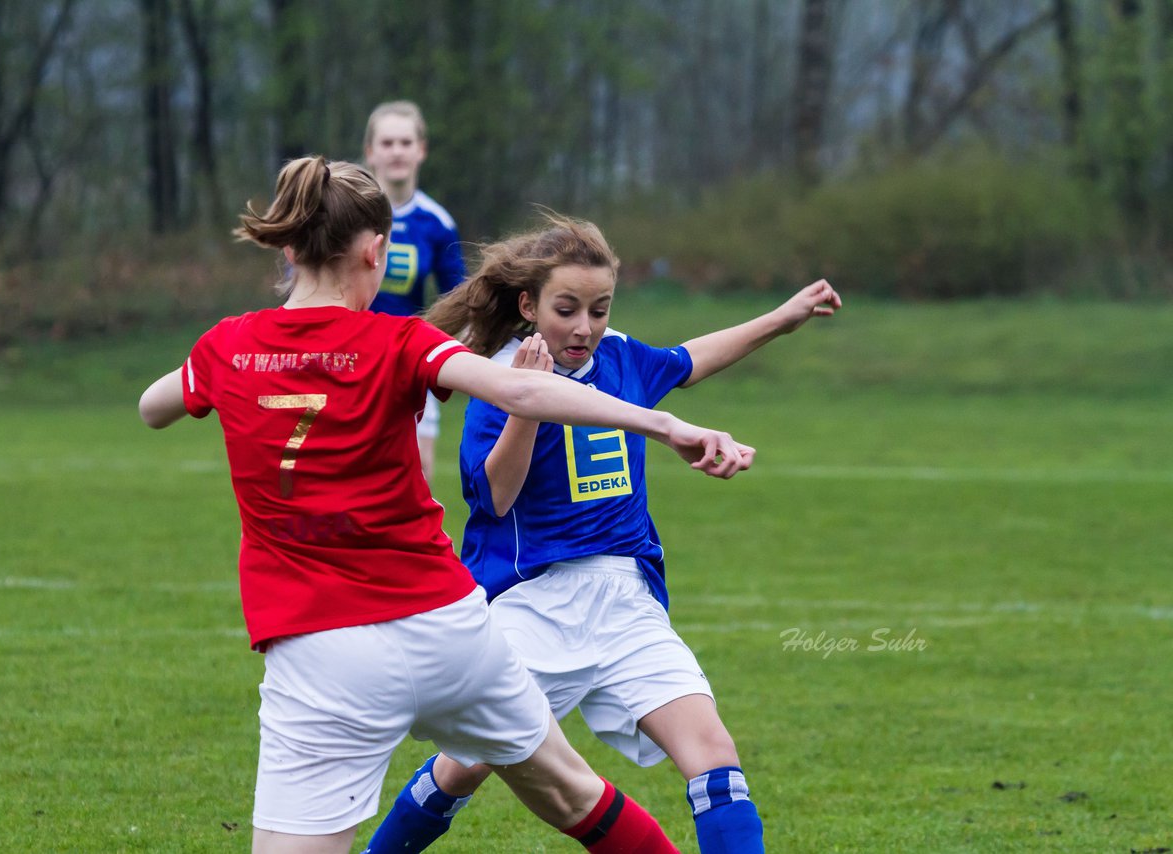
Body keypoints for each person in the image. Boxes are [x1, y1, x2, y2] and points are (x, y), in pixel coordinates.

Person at [137, 158, 757, 854]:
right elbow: (521, 392)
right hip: (448, 631)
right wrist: (667, 425)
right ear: (375, 251)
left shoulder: (225, 348)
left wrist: (206, 377)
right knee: (574, 794)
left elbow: (152, 407)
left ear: (287, 249)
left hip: (321, 647)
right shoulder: (400, 340)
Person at [365, 213, 841, 854]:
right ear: (530, 304)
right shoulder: (501, 378)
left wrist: (783, 318)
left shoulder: (619, 358)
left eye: (599, 308)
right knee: (464, 765)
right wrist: (530, 399)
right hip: (530, 602)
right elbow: (496, 497)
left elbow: (691, 358)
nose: (584, 326)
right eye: (567, 308)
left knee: (712, 750)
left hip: (625, 601)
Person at [363, 100, 467, 484]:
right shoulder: (345, 214)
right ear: (370, 151)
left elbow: (459, 299)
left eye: (405, 142)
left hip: (408, 359)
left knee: (416, 474)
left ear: (421, 150)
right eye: (387, 143)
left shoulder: (437, 224)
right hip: (350, 357)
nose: (396, 151)